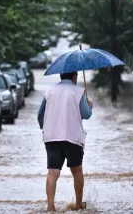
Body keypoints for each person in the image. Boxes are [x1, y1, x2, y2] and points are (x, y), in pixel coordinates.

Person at [37, 71, 93, 212]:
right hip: (72, 137)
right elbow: (86, 114)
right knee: (77, 170)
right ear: (74, 76)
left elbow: (40, 115)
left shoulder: (49, 91)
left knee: (52, 172)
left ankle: (50, 207)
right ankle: (79, 205)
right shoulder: (78, 91)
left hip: (52, 138)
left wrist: (46, 128)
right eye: (77, 76)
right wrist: (89, 105)